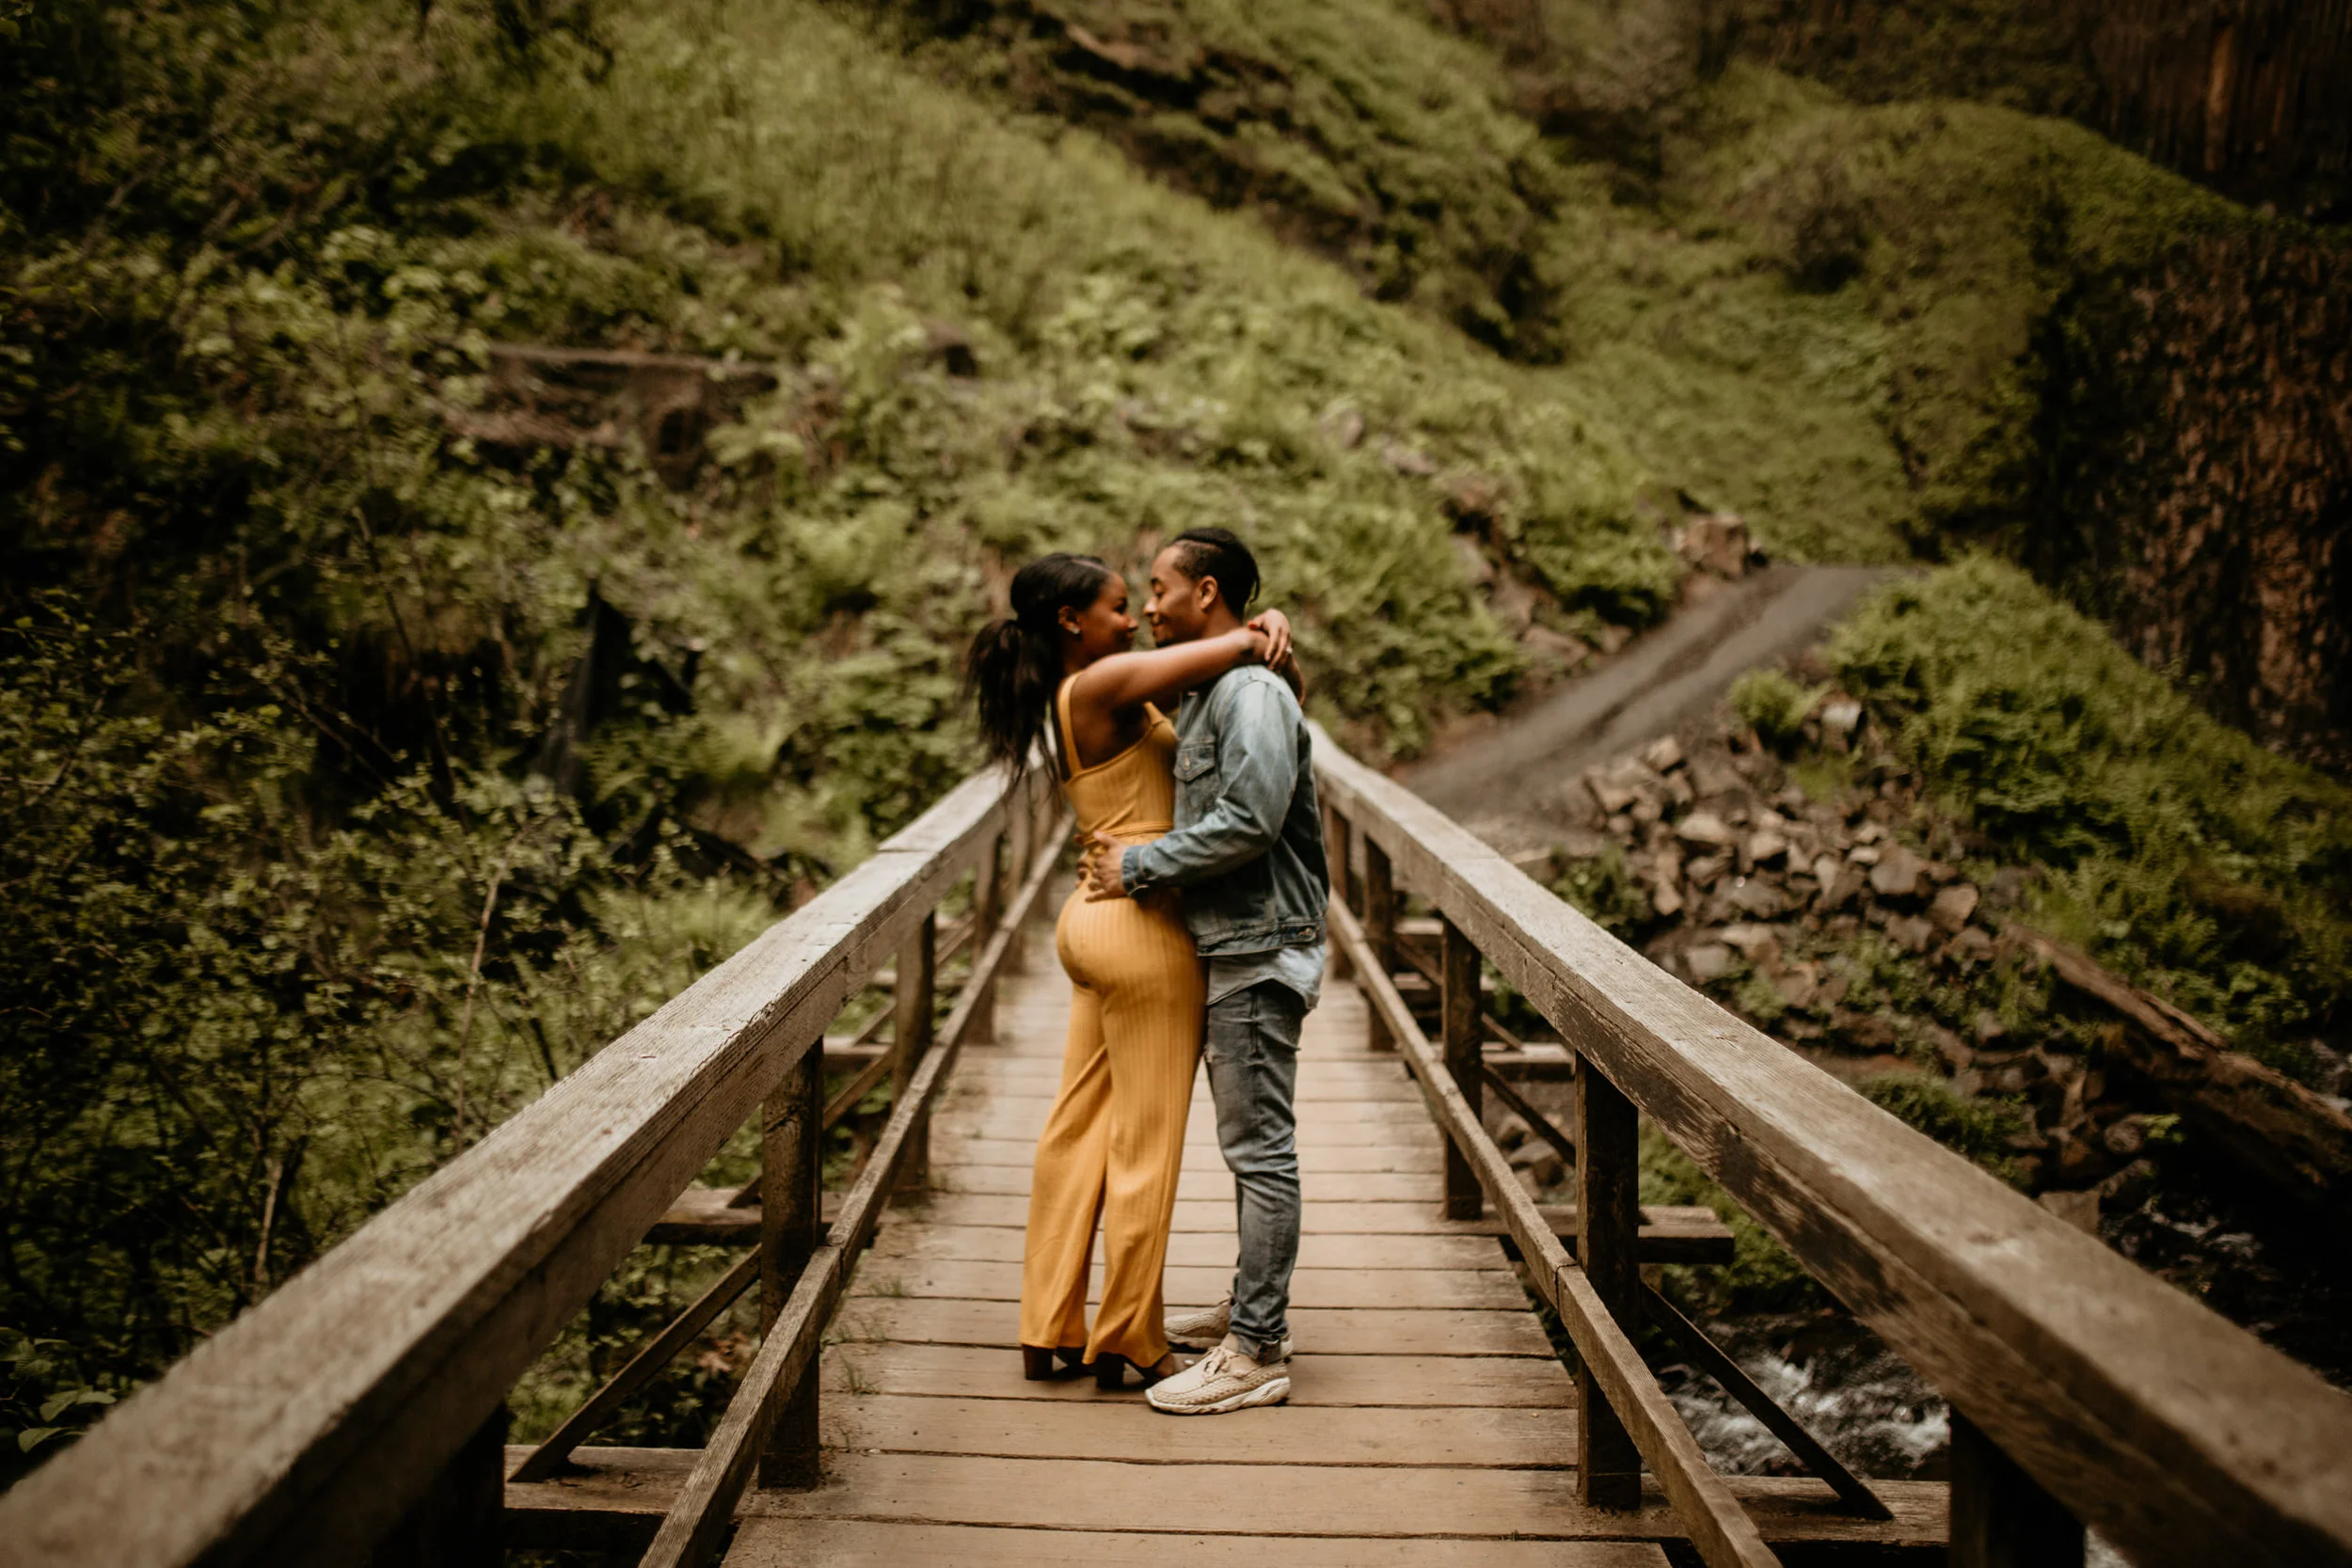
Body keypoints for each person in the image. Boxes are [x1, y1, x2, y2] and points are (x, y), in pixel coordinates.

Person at [965, 552, 1295, 1390]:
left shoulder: (1081, 692)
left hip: (1092, 925)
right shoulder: (1103, 683)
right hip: (1144, 927)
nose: (1134, 618)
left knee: (1076, 1128)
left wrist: (1256, 637)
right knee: (1145, 1144)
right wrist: (1262, 628)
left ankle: (1050, 1324)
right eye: (1120, 606)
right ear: (1073, 621)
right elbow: (1220, 652)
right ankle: (1127, 1337)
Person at [1080, 527, 1329, 1418]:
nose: (1148, 605)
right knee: (1252, 1147)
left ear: (1207, 592)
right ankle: (1252, 1309)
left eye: (1158, 588)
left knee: (1259, 1152)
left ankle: (1256, 1349)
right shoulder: (1217, 684)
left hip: (1261, 948)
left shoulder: (1249, 692)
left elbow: (1253, 818)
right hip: (1238, 943)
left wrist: (1138, 869)